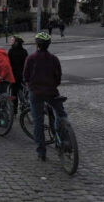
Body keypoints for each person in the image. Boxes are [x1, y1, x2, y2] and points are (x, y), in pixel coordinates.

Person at [23, 32, 66, 161]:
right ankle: (63, 137)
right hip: (52, 92)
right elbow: (58, 78)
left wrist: (31, 86)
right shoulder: (54, 59)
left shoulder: (31, 58)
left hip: (36, 93)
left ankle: (41, 151)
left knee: (38, 122)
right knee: (61, 115)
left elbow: (26, 77)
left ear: (37, 45)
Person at [8, 35, 29, 114]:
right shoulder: (24, 51)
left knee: (14, 93)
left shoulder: (11, 51)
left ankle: (15, 109)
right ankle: (24, 106)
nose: (11, 42)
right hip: (23, 75)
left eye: (12, 40)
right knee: (22, 90)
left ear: (16, 42)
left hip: (14, 76)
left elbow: (8, 64)